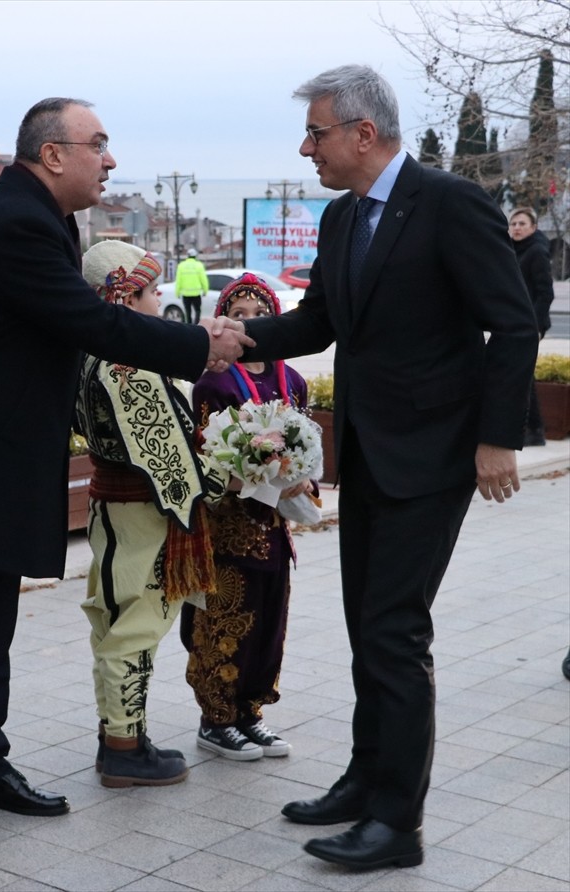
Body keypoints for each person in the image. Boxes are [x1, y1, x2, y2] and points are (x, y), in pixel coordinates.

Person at [0, 96, 253, 850]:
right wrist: (196, 345)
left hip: (1, 462)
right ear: (51, 155)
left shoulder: (39, 217)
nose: (110, 160)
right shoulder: (17, 223)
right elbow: (93, 323)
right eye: (97, 145)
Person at [233, 65, 537, 870]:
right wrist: (232, 339)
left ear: (363, 133)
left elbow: (513, 324)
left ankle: (397, 824)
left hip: (433, 455)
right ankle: (366, 780)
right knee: (368, 627)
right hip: (368, 453)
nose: (307, 149)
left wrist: (497, 439)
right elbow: (320, 321)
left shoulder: (449, 204)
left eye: (316, 134)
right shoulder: (343, 218)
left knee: (395, 633)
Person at [76, 240, 230, 788]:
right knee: (135, 626)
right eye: (148, 289)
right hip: (143, 514)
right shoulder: (127, 367)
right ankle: (124, 747)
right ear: (123, 297)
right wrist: (240, 473)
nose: (159, 296)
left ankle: (120, 734)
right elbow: (172, 462)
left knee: (113, 621)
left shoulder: (91, 352)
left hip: (113, 507)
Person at [183, 273, 312, 762]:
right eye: (238, 314)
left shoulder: (292, 380)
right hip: (227, 529)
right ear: (223, 323)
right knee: (224, 622)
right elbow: (205, 457)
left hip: (274, 530)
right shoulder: (212, 381)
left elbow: (305, 447)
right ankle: (216, 719)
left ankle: (250, 713)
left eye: (259, 314)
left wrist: (301, 478)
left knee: (269, 624)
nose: (249, 322)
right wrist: (253, 475)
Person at [509, 207, 554, 447]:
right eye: (513, 223)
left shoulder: (536, 251)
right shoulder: (513, 250)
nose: (517, 228)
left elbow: (545, 292)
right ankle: (532, 429)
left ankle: (535, 430)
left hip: (530, 324)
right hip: (515, 323)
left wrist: (535, 327)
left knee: (522, 375)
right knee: (522, 374)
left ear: (533, 227)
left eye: (522, 224)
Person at [175, 247, 209, 324]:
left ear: (187, 255)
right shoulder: (199, 265)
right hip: (196, 294)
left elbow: (178, 281)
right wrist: (205, 291)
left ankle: (189, 326)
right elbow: (203, 280)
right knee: (197, 310)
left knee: (188, 312)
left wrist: (177, 293)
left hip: (185, 294)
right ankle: (196, 325)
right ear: (195, 256)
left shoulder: (181, 265)